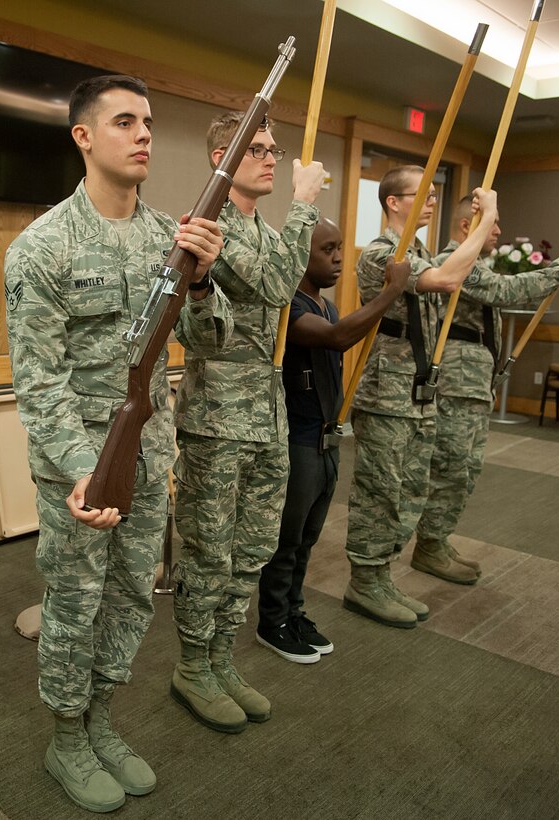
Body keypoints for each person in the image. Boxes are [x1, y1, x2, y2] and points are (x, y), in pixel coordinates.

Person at [4, 74, 231, 814]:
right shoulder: (42, 248)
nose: (143, 136)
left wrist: (203, 280)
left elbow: (214, 341)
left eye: (149, 123)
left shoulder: (175, 238)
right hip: (79, 467)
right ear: (83, 136)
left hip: (147, 453)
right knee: (76, 603)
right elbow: (39, 381)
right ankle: (67, 737)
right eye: (125, 121)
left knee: (133, 596)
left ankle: (102, 719)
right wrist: (81, 470)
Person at [170, 112, 326, 731]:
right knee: (209, 550)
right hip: (217, 415)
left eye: (272, 150)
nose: (269, 159)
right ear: (221, 158)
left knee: (252, 548)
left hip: (267, 411)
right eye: (255, 149)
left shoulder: (263, 229)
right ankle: (191, 666)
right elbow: (281, 284)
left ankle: (220, 658)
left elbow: (281, 273)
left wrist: (295, 216)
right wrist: (305, 203)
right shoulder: (208, 227)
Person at [343, 165, 498, 630]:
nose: (432, 202)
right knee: (379, 493)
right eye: (422, 195)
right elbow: (447, 279)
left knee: (410, 492)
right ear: (394, 202)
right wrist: (486, 219)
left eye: (434, 195)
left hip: (420, 394)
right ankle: (364, 580)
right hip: (386, 396)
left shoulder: (419, 252)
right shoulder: (382, 253)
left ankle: (383, 573)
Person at [256, 217, 411, 662]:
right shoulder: (290, 307)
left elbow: (342, 331)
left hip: (327, 439)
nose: (339, 257)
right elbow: (338, 339)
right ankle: (272, 621)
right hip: (298, 441)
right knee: (286, 541)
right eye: (327, 250)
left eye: (340, 247)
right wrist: (390, 292)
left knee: (307, 540)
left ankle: (293, 612)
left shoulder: (326, 305)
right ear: (300, 256)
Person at [411, 195, 559, 583]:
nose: (499, 231)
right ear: (466, 226)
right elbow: (506, 291)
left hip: (474, 381)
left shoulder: (475, 263)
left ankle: (437, 538)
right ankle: (429, 546)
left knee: (467, 468)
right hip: (457, 383)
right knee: (451, 467)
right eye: (493, 224)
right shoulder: (452, 262)